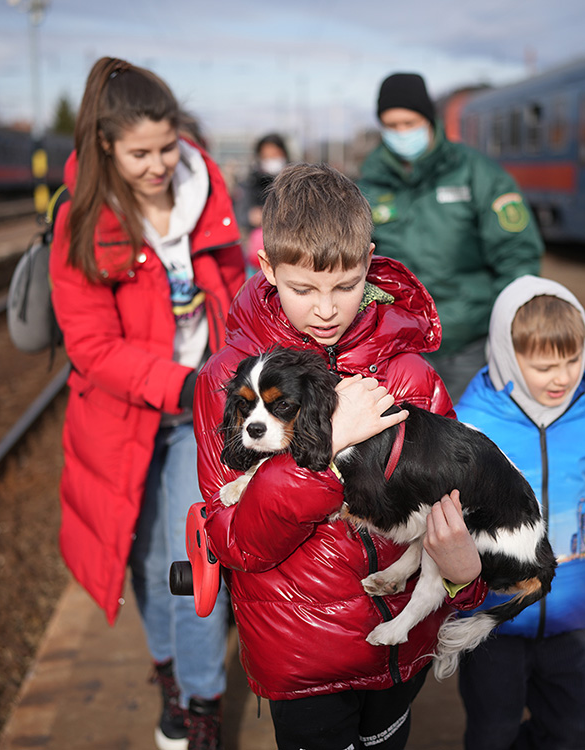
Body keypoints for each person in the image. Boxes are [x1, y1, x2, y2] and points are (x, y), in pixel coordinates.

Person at [193, 163, 489, 750]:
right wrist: (325, 453)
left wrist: (465, 577)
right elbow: (234, 540)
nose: (327, 308)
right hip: (303, 659)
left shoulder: (407, 374)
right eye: (304, 289)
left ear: (368, 262)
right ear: (269, 269)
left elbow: (456, 499)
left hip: (401, 651)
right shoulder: (232, 381)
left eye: (346, 285)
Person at [48, 57, 246, 750]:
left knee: (191, 567)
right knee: (145, 568)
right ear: (105, 145)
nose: (160, 164)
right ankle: (169, 678)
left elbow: (236, 286)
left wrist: (224, 375)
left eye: (168, 147)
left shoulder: (205, 193)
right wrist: (181, 383)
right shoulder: (83, 222)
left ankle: (201, 711)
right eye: (140, 154)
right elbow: (93, 348)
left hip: (199, 416)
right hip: (124, 421)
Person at [452, 275, 585, 750]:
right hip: (492, 616)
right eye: (544, 366)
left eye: (572, 361)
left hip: (568, 613)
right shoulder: (473, 423)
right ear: (506, 356)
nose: (562, 377)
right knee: (491, 731)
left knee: (576, 726)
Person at [357, 72, 545, 401]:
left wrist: (505, 323)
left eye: (409, 122)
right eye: (392, 125)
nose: (402, 133)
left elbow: (517, 253)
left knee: (470, 438)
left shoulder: (477, 173)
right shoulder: (369, 186)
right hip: (400, 348)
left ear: (429, 120)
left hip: (471, 344)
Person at [233, 132, 290, 273]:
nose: (271, 160)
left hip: (289, 251)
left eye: (275, 155)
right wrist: (250, 216)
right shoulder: (250, 183)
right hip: (258, 254)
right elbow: (239, 214)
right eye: (267, 156)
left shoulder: (294, 183)